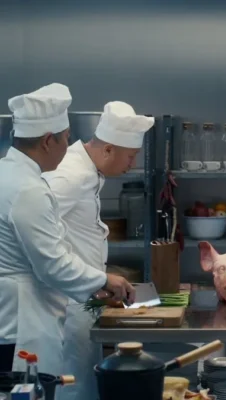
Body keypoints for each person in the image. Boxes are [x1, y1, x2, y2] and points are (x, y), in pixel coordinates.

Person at [0, 83, 135, 374]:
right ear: (48, 141)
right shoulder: (28, 190)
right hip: (22, 321)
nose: (69, 147)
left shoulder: (7, 173)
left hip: (15, 314)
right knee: (30, 388)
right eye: (66, 138)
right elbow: (52, 264)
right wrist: (103, 280)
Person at [42, 101, 154, 400]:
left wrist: (97, 282)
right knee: (72, 388)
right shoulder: (71, 176)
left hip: (80, 296)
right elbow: (38, 239)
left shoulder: (86, 171)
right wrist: (97, 279)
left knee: (81, 384)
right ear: (108, 149)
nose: (132, 164)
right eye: (130, 156)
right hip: (64, 303)